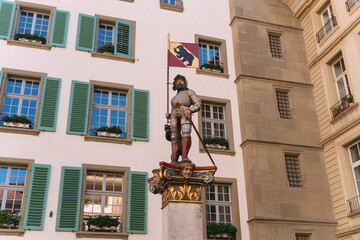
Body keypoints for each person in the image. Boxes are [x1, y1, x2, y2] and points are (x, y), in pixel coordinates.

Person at [166, 74, 201, 163]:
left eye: (181, 81)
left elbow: (197, 104)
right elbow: (173, 109)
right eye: (177, 82)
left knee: (186, 132)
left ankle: (185, 156)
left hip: (185, 113)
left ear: (185, 83)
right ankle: (174, 159)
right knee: (174, 136)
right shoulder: (173, 99)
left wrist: (190, 110)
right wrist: (169, 115)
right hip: (174, 115)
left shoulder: (189, 92)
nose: (179, 83)